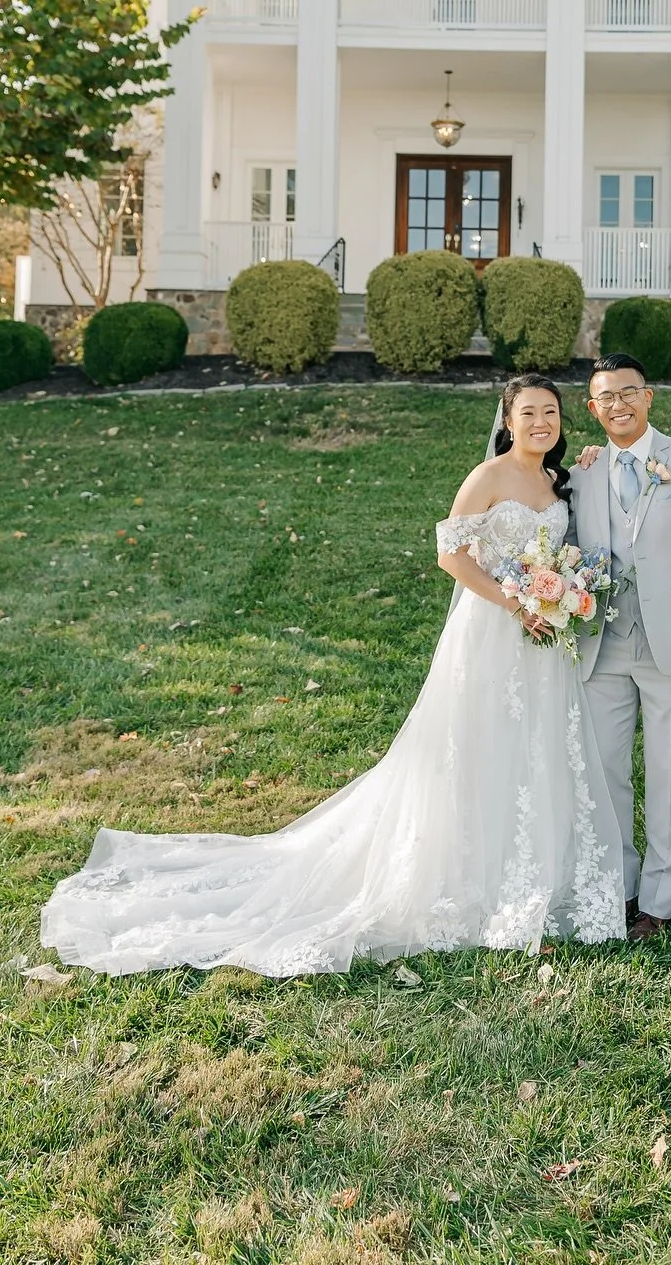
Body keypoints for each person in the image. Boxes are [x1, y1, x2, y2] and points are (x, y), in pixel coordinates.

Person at [39, 375, 625, 976]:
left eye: (550, 412)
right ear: (508, 418)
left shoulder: (560, 482)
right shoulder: (488, 478)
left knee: (535, 750)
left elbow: (579, 526)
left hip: (544, 640)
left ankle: (531, 877)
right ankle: (476, 882)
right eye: (528, 412)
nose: (540, 423)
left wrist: (557, 593)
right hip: (494, 635)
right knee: (477, 750)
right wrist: (515, 602)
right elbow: (450, 554)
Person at [568, 353, 671, 942]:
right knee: (607, 772)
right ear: (592, 409)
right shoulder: (583, 472)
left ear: (649, 396)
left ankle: (660, 901)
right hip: (602, 645)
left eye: (628, 392)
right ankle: (621, 885)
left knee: (670, 771)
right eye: (605, 397)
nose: (618, 404)